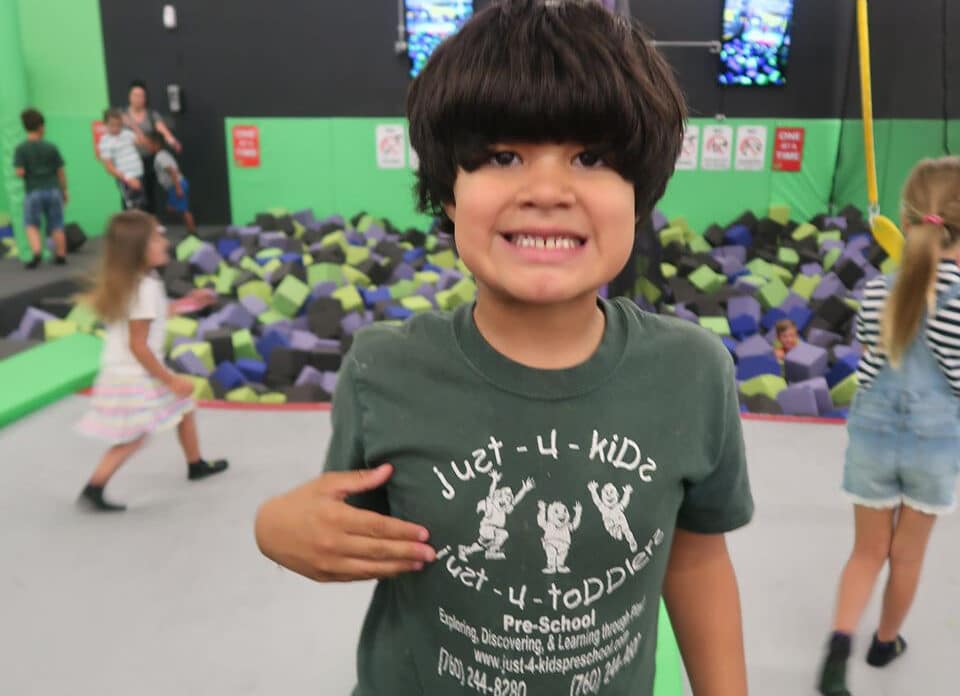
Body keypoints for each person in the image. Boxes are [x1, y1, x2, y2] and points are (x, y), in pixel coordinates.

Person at [254, 2, 753, 694]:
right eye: (502, 156)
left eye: (591, 157)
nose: (546, 190)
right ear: (448, 194)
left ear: (639, 194)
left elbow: (695, 561)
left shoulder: (692, 373)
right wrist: (274, 528)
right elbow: (340, 519)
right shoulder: (384, 369)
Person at [817, 156, 960, 696]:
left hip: (872, 432)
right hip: (933, 441)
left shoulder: (880, 289)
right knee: (907, 555)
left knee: (865, 552)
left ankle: (838, 645)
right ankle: (885, 642)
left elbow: (870, 369)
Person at [75, 211, 228, 512]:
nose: (165, 242)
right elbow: (138, 345)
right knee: (134, 436)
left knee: (184, 407)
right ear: (138, 250)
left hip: (134, 369)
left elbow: (156, 315)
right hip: (135, 373)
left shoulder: (141, 280)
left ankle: (195, 464)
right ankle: (94, 486)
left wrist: (189, 303)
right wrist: (170, 379)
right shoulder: (143, 288)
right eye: (156, 238)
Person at [12, 108, 68, 269]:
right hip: (53, 189)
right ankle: (61, 254)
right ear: (41, 126)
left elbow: (19, 171)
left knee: (31, 224)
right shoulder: (51, 147)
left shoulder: (21, 148)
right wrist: (64, 190)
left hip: (33, 190)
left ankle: (37, 252)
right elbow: (60, 172)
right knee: (57, 223)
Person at [124, 80, 181, 214]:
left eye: (142, 96)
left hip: (148, 159)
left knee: (149, 192)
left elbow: (162, 129)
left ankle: (151, 222)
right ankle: (132, 226)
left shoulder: (151, 114)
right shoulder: (123, 115)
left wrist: (171, 140)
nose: (138, 99)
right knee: (130, 194)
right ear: (129, 96)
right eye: (135, 95)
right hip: (128, 162)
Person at [146, 132, 196, 234]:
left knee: (183, 210)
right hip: (176, 185)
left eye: (148, 144)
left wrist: (178, 188)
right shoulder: (162, 155)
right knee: (175, 209)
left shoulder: (160, 157)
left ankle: (193, 233)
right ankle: (190, 231)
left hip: (177, 185)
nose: (147, 146)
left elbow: (172, 172)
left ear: (156, 144)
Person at [98, 108, 146, 211]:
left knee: (141, 206)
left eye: (119, 124)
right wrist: (128, 179)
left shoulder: (127, 133)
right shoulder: (104, 141)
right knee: (133, 208)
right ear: (105, 123)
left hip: (139, 174)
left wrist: (132, 125)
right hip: (126, 178)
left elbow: (142, 142)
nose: (116, 128)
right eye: (112, 125)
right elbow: (109, 167)